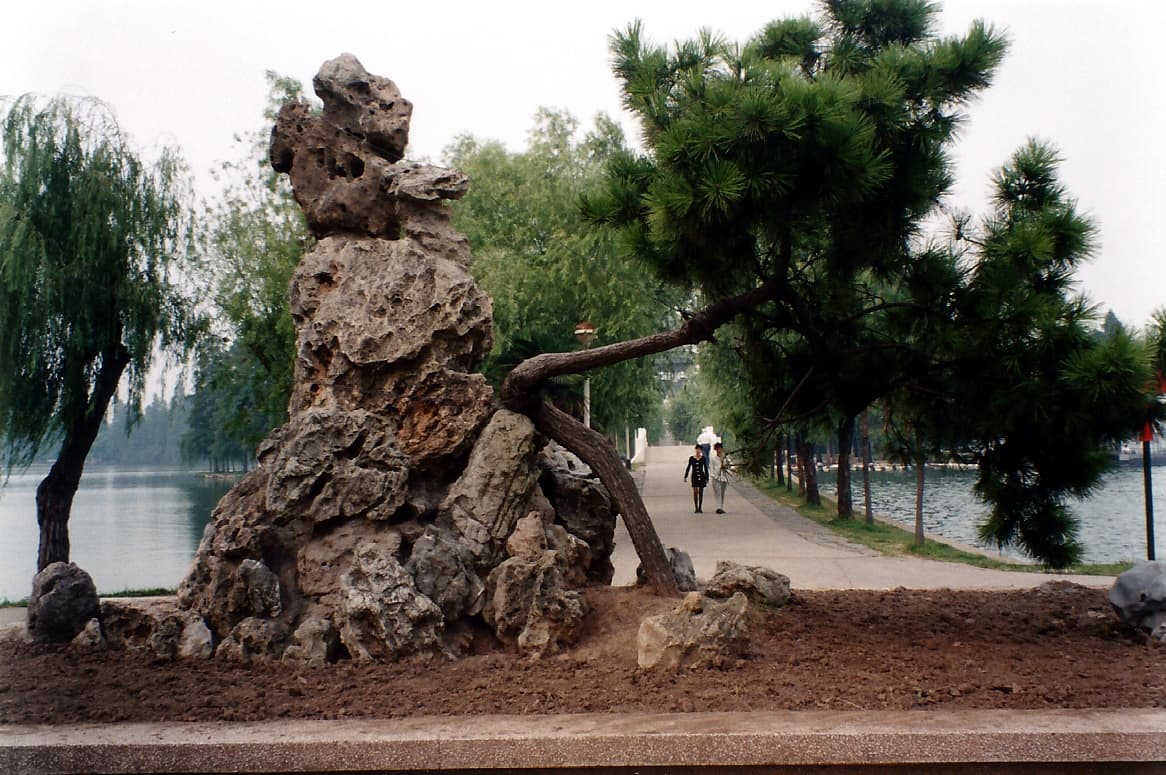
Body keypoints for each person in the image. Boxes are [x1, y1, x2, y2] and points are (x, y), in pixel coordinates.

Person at [683, 444, 709, 513]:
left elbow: (705, 468)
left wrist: (707, 477)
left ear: (701, 451)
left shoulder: (703, 458)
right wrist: (686, 476)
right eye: (697, 449)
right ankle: (696, 507)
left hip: (701, 476)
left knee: (701, 492)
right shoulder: (691, 458)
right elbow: (688, 467)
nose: (698, 451)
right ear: (695, 450)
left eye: (699, 449)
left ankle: (700, 507)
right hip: (694, 476)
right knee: (695, 492)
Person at [709, 442, 733, 514]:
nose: (718, 450)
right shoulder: (713, 458)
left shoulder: (726, 458)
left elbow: (731, 465)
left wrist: (733, 469)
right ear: (715, 450)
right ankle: (718, 507)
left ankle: (721, 507)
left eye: (719, 448)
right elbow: (711, 468)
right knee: (717, 493)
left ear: (722, 449)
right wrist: (714, 476)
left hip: (724, 478)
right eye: (717, 449)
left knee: (722, 493)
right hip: (716, 478)